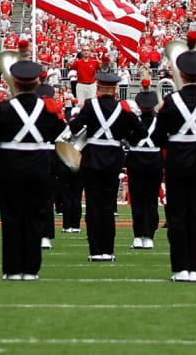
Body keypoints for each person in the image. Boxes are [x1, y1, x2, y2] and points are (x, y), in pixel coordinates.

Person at [0, 60, 68, 280]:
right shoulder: (49, 109)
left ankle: (12, 269)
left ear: (15, 84)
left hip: (10, 168)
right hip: (40, 169)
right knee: (35, 217)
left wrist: (6, 154)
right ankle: (31, 269)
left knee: (11, 218)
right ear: (37, 83)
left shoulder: (4, 108)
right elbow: (60, 133)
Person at [150, 49, 196, 282]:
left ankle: (181, 268)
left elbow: (158, 137)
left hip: (177, 166)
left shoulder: (171, 101)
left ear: (180, 73)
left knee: (178, 218)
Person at [68, 70, 146, 261]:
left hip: (93, 158)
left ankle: (95, 250)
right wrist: (127, 137)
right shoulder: (124, 108)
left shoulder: (90, 105)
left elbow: (74, 127)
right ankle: (108, 250)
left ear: (99, 86)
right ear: (115, 89)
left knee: (93, 206)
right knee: (108, 205)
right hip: (113, 160)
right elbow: (141, 132)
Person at [126, 89, 164, 249]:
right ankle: (149, 236)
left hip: (135, 161)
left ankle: (138, 236)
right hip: (154, 161)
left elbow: (126, 136)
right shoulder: (160, 121)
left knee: (137, 200)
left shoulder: (132, 120)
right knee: (151, 200)